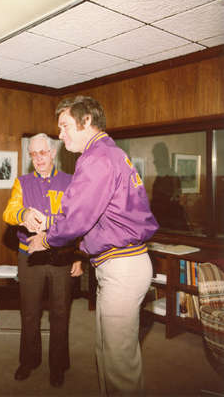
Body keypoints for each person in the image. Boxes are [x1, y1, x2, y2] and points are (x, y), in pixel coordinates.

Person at [28, 96, 159, 395]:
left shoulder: (97, 158)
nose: (60, 136)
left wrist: (45, 239)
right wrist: (49, 221)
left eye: (64, 126)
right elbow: (96, 210)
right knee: (107, 351)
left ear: (86, 121)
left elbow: (78, 217)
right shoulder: (110, 153)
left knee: (119, 362)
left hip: (122, 267)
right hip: (120, 264)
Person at [2, 133, 83, 388]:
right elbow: (8, 212)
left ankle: (58, 365)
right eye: (33, 154)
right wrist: (22, 213)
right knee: (30, 313)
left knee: (60, 314)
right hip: (30, 258)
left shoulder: (71, 182)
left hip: (62, 258)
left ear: (53, 153)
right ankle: (29, 361)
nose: (38, 158)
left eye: (43, 153)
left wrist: (79, 257)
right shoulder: (22, 182)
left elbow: (79, 223)